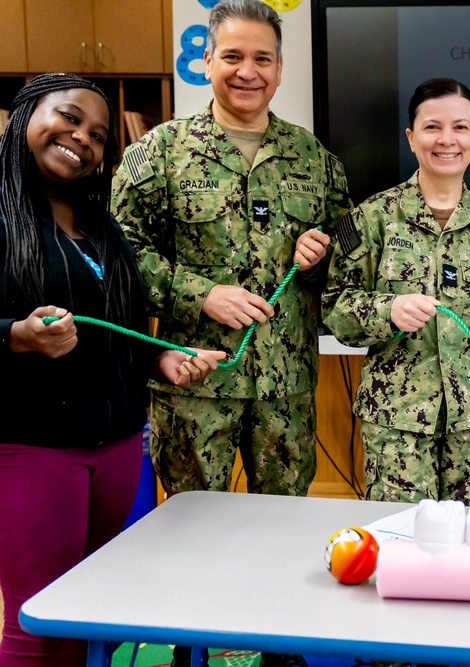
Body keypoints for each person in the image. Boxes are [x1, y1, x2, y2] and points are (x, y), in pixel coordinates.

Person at [112, 2, 350, 664]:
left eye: (263, 59)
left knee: (286, 527)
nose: (248, 72)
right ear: (207, 61)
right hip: (196, 383)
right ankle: (195, 648)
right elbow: (120, 256)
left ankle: (280, 648)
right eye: (234, 57)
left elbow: (349, 260)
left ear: (280, 68)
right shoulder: (157, 153)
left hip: (286, 386)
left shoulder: (315, 159)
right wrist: (199, 292)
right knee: (195, 532)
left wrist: (325, 253)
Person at [0, 73, 222, 667]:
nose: (83, 139)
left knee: (88, 614)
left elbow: (114, 326)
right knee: (37, 621)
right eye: (69, 118)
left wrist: (162, 358)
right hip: (35, 451)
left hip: (119, 448)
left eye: (98, 135)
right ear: (27, 114)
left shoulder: (99, 225)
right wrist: (17, 337)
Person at [323, 78, 470, 505]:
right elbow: (335, 308)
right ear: (411, 137)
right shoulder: (373, 218)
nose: (447, 140)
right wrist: (387, 310)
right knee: (400, 542)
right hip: (397, 422)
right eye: (433, 127)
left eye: (460, 127)